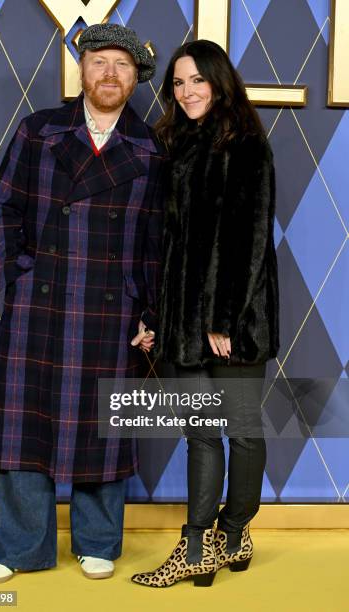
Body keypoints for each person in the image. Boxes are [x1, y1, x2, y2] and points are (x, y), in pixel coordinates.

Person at [0, 23, 165, 584]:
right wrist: (18, 276)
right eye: (100, 62)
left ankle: (98, 541)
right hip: (43, 301)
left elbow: (161, 241)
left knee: (102, 423)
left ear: (136, 79)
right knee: (23, 426)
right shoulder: (39, 131)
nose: (110, 73)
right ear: (81, 71)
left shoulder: (152, 148)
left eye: (122, 66)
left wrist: (149, 310)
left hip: (113, 308)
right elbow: (1, 206)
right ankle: (15, 548)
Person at [131, 39, 279, 588]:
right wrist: (154, 315)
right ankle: (199, 545)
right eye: (177, 82)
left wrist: (222, 318)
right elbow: (163, 242)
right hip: (180, 321)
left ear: (219, 81)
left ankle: (234, 528)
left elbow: (248, 238)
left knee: (240, 430)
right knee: (200, 433)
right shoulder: (174, 144)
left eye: (196, 80)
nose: (186, 91)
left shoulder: (244, 145)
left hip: (232, 321)